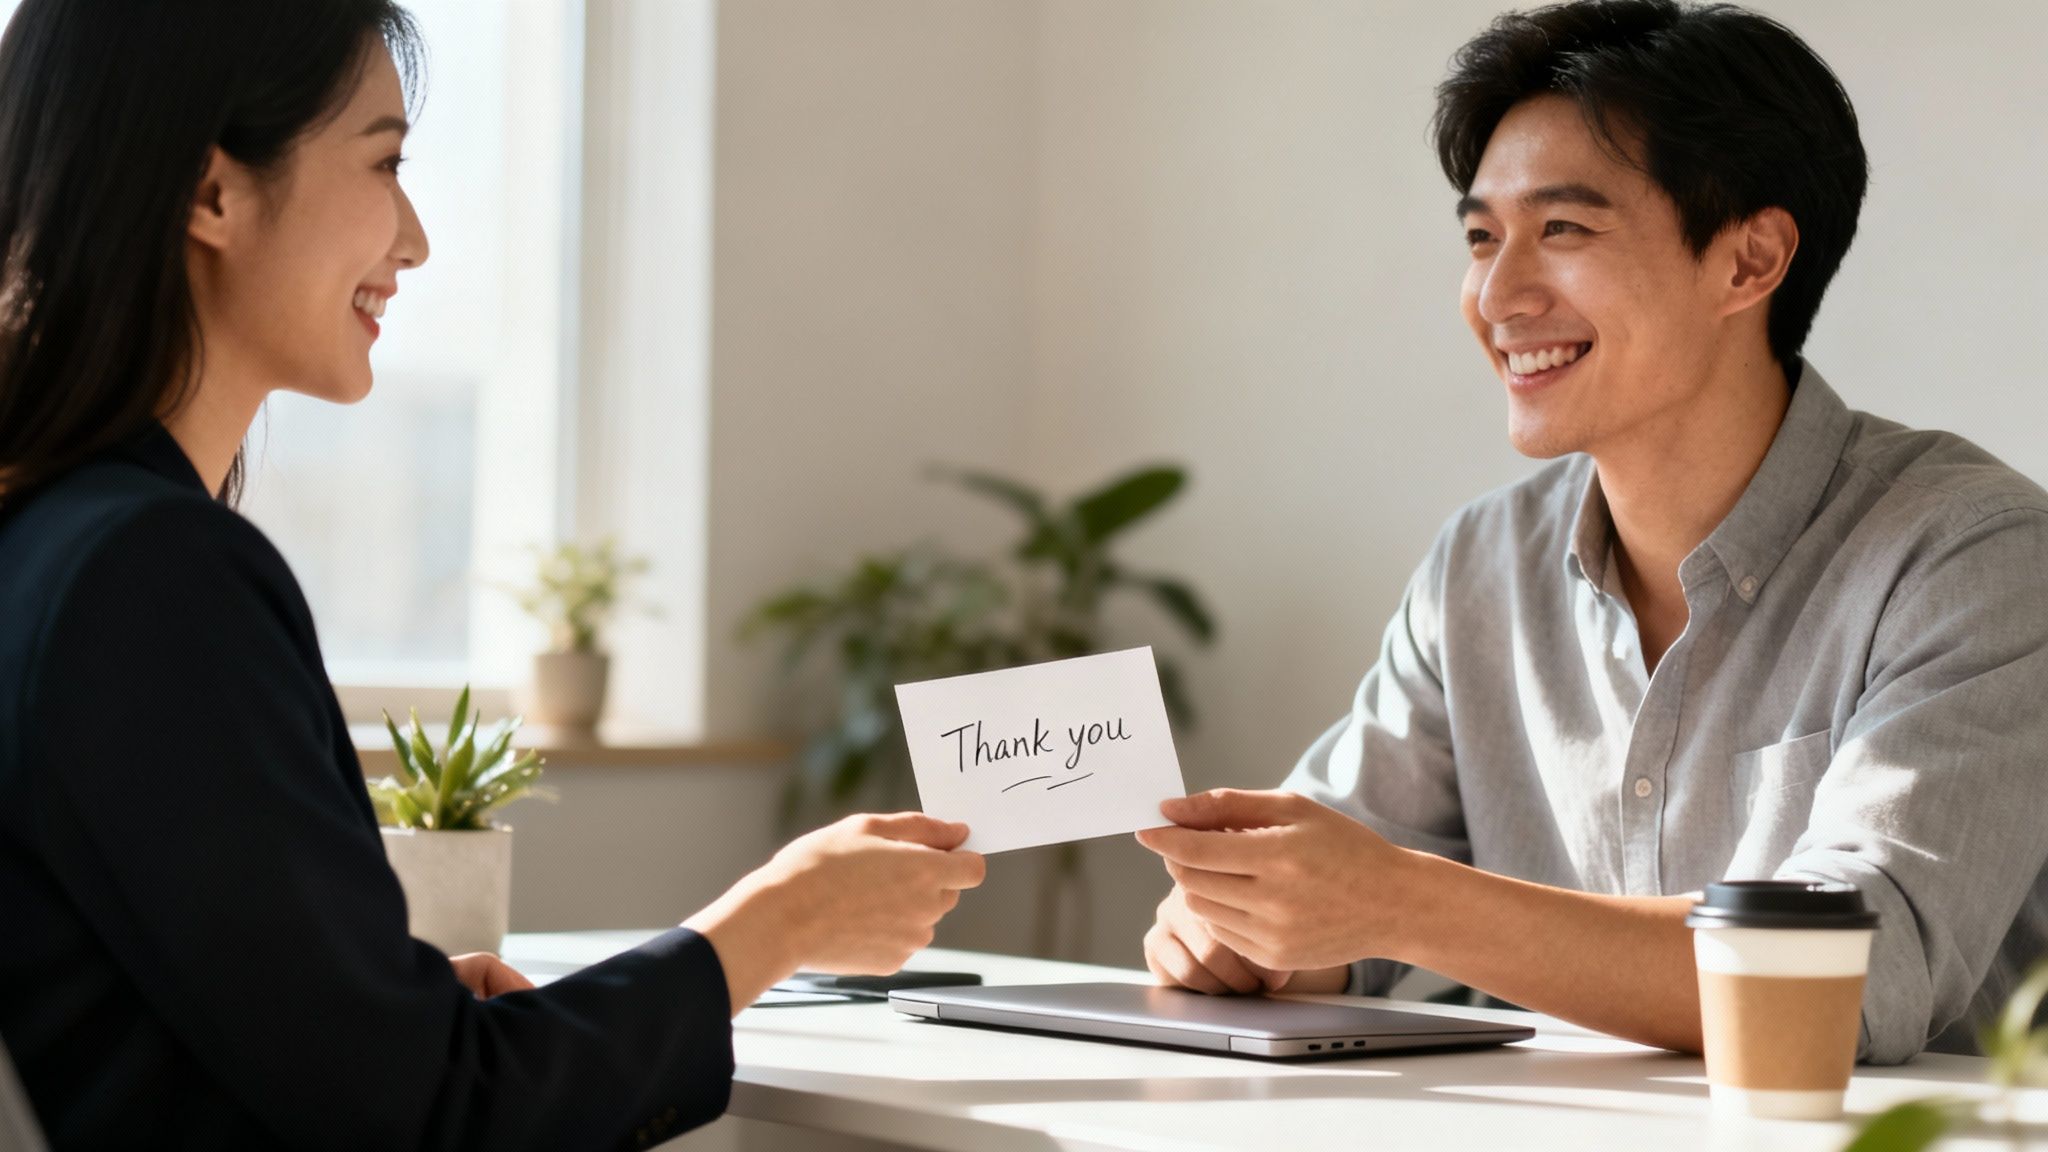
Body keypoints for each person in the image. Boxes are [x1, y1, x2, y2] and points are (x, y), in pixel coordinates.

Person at [0, 2, 982, 1147]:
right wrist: (778, 920)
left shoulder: (55, 546)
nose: (413, 239)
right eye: (385, 161)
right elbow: (439, 1118)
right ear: (211, 194)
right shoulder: (151, 578)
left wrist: (389, 1009)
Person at [1137, 0, 2048, 1065]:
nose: (1497, 294)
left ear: (1748, 261)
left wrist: (1397, 902)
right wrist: (1256, 933)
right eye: (1481, 237)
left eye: (1561, 230)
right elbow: (1347, 888)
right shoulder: (1480, 569)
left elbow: (1845, 979)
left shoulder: (1972, 556)